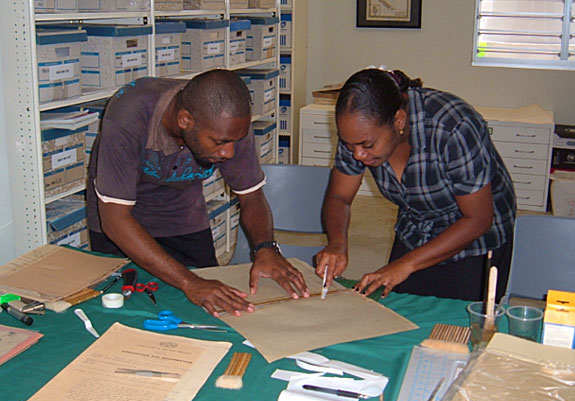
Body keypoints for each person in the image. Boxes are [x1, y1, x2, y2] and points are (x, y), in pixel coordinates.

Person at [87, 70, 309, 317]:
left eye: (234, 141)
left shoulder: (230, 125)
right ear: (185, 120)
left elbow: (251, 196)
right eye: (219, 142)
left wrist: (266, 248)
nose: (229, 153)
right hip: (121, 221)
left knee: (208, 304)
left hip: (181, 214)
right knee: (123, 309)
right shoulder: (130, 112)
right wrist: (188, 281)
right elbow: (116, 220)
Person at [316, 68, 516, 302]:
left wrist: (405, 264)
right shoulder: (357, 135)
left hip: (475, 236)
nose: (358, 154)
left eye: (367, 145)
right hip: (417, 224)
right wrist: (337, 243)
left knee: (456, 326)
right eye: (350, 146)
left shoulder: (454, 126)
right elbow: (339, 198)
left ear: (398, 120)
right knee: (398, 310)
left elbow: (478, 219)